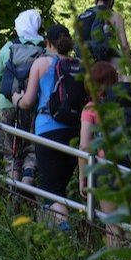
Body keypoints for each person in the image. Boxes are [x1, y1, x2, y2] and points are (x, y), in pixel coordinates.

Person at [14, 24, 81, 225]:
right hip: (75, 130)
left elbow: (28, 101)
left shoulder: (41, 63)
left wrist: (17, 98)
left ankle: (65, 241)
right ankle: (56, 233)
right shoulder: (77, 64)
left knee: (53, 191)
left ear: (48, 43)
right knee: (59, 187)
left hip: (48, 130)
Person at [78, 60, 131, 234]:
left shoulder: (91, 108)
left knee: (113, 227)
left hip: (106, 170)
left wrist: (83, 177)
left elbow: (85, 146)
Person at [0, 9, 44, 183]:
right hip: (33, 105)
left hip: (8, 105)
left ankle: (13, 198)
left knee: (11, 154)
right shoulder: (43, 48)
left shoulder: (9, 47)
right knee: (31, 151)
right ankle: (26, 190)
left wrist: (10, 89)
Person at [76, 0, 131, 77]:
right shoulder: (113, 16)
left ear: (96, 0)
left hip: (88, 68)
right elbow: (124, 46)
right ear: (111, 1)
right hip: (111, 66)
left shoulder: (82, 16)